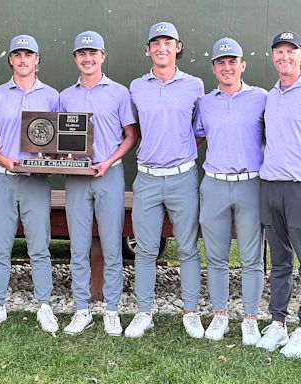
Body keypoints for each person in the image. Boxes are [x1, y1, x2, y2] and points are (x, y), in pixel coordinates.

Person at [126, 22, 205, 338]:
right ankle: (144, 312)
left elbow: (198, 130)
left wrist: (180, 151)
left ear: (178, 47)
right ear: (147, 49)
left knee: (187, 248)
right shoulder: (136, 87)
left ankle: (190, 312)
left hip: (183, 178)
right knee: (145, 250)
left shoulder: (194, 85)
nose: (161, 48)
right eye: (155, 43)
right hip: (146, 178)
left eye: (168, 42)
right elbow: (132, 129)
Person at [0, 34, 59, 333]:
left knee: (40, 246)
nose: (23, 59)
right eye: (18, 54)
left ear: (37, 60)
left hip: (36, 180)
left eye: (29, 54)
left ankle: (44, 305)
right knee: (0, 246)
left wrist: (49, 156)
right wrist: (1, 159)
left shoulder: (52, 96)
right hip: (4, 179)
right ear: (10, 59)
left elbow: (59, 142)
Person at [59, 31, 138, 336]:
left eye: (93, 53)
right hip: (77, 178)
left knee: (111, 245)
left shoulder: (119, 93)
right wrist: (65, 157)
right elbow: (58, 141)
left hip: (110, 174)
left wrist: (107, 161)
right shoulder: (65, 96)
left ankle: (112, 310)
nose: (88, 58)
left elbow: (131, 135)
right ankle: (82, 310)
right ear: (75, 58)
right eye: (82, 53)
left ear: (103, 56)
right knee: (78, 246)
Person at [193, 38, 266, 344]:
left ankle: (250, 318)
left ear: (242, 65)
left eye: (232, 61)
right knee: (216, 255)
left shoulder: (261, 98)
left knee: (251, 257)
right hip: (214, 184)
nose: (227, 67)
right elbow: (194, 139)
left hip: (250, 183)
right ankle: (220, 314)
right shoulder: (205, 103)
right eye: (221, 62)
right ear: (214, 68)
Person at [256, 31, 301, 357]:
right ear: (272, 56)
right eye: (279, 51)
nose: (284, 57)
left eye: (291, 51)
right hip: (270, 187)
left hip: (298, 187)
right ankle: (278, 324)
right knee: (280, 261)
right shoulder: (270, 95)